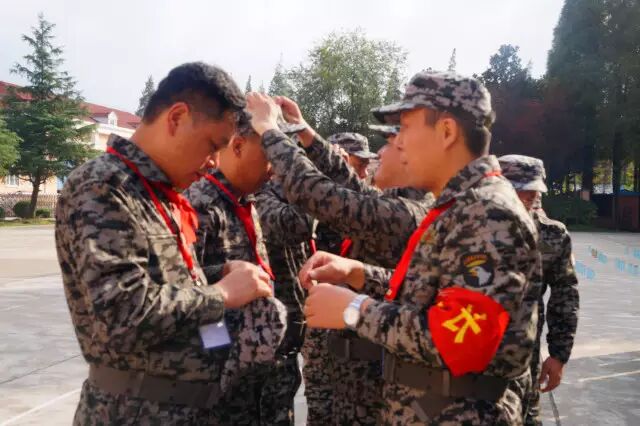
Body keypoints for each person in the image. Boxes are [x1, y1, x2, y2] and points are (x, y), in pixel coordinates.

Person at [285, 70, 542, 424]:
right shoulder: (460, 206)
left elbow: (458, 340)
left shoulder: (488, 212)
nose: (399, 142)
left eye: (405, 127)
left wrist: (354, 309)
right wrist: (358, 274)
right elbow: (429, 297)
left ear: (447, 131)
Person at [55, 62, 273, 424]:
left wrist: (218, 273)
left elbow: (161, 284)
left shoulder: (158, 192)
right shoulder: (104, 186)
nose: (213, 163)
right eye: (212, 146)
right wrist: (221, 294)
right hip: (136, 412)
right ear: (177, 117)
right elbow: (122, 315)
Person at [246, 94, 432, 424]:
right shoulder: (401, 203)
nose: (380, 154)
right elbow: (349, 184)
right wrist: (305, 132)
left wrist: (269, 129)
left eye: (391, 144)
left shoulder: (403, 213)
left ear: (411, 159)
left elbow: (319, 193)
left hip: (371, 375)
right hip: (350, 370)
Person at [183, 112, 307, 424]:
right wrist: (222, 274)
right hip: (223, 379)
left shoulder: (244, 202)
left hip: (262, 373)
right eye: (269, 156)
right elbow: (182, 290)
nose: (274, 168)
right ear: (238, 146)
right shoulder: (200, 205)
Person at [499, 155, 579, 426]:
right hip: (477, 353)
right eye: (517, 189)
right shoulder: (475, 229)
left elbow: (565, 295)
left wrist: (558, 354)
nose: (525, 197)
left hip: (526, 357)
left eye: (531, 191)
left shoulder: (552, 235)